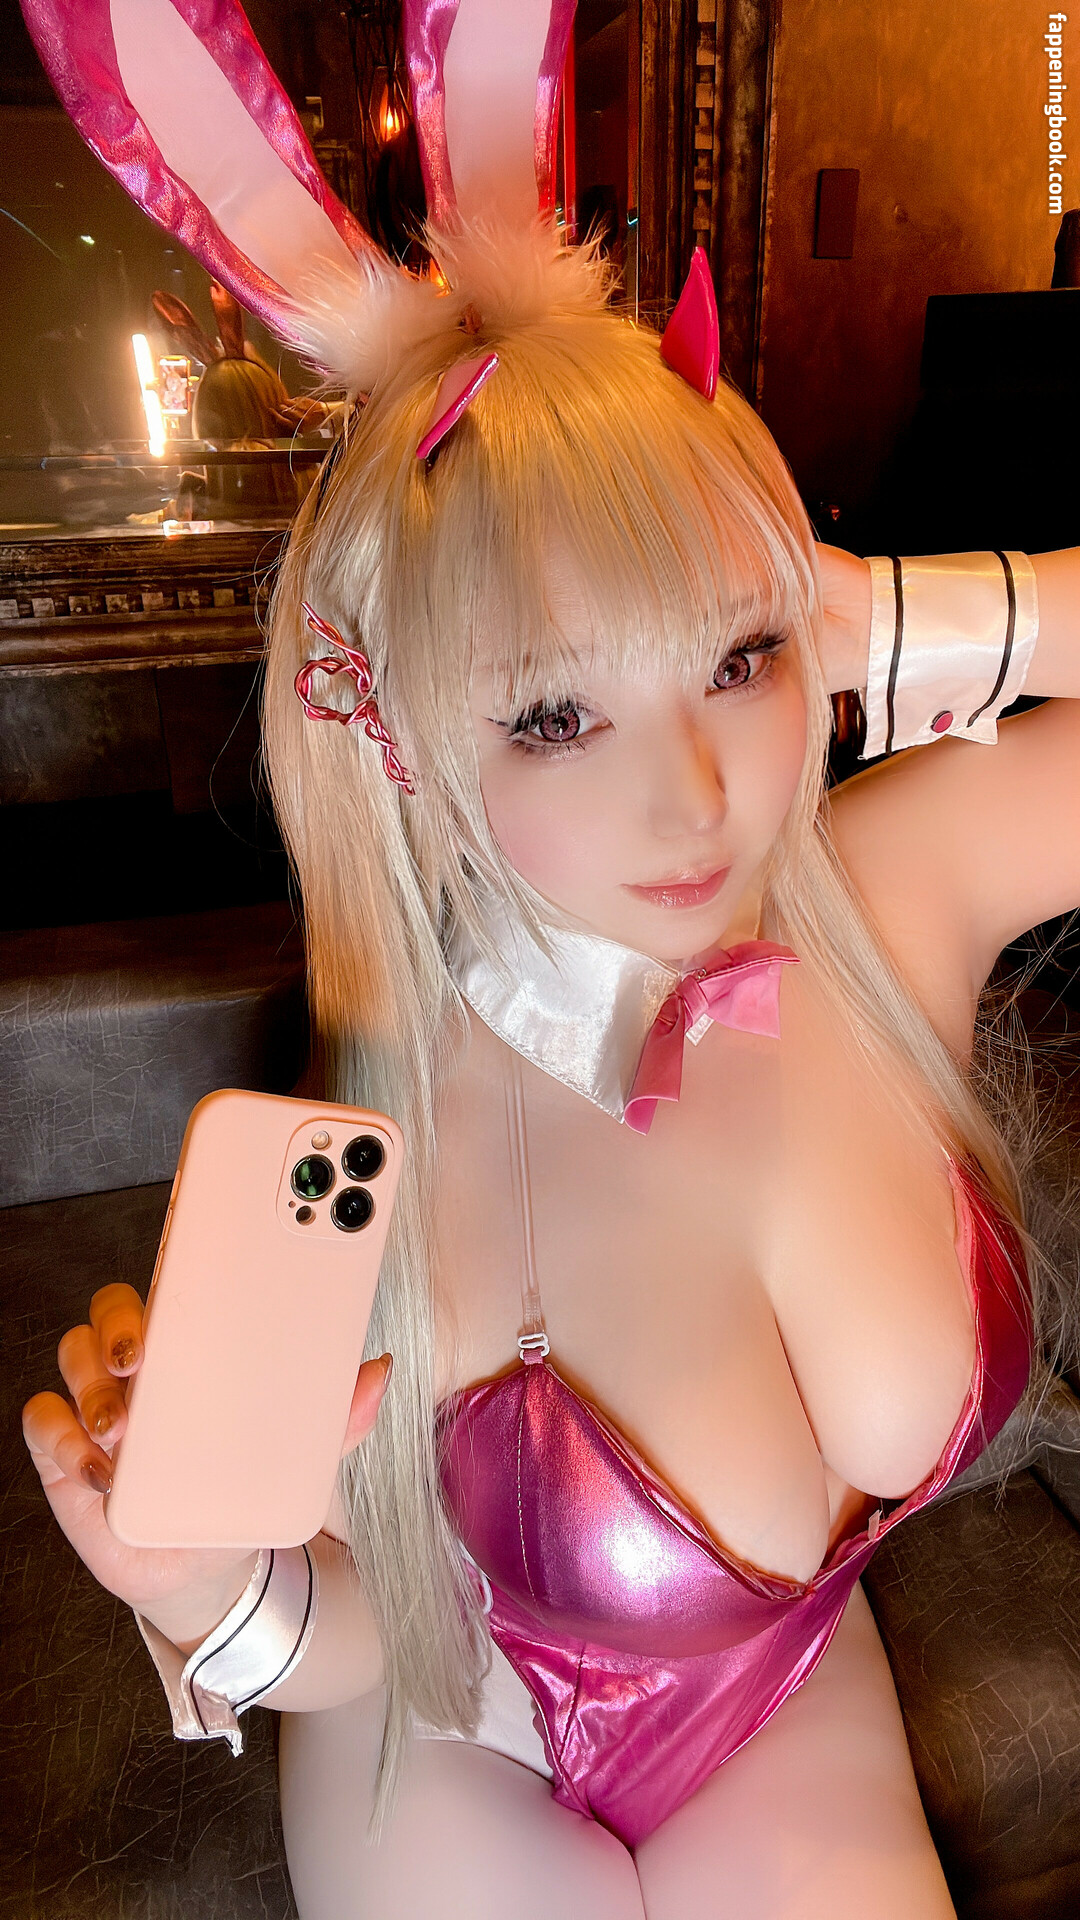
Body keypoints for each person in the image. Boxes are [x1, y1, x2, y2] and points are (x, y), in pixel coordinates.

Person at [16, 1, 1080, 1914]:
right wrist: (211, 1595)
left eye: (737, 661)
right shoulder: (379, 1130)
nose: (696, 797)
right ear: (410, 747)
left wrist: (870, 614)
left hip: (781, 1682)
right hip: (452, 1732)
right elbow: (367, 1631)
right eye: (555, 715)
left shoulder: (890, 883)